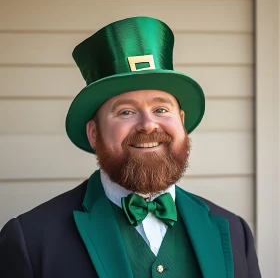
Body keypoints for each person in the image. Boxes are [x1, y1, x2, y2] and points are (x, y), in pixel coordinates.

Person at [0, 16, 261, 278]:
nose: (148, 125)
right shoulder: (30, 239)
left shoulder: (234, 231)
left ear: (181, 122)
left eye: (161, 109)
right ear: (94, 133)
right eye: (125, 112)